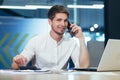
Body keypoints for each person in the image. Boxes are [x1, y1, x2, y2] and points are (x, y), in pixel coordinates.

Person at [12, 5, 90, 70]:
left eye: (65, 20)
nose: (63, 24)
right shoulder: (36, 41)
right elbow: (16, 66)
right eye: (59, 20)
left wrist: (81, 38)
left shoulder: (71, 43)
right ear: (50, 22)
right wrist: (17, 61)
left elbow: (83, 67)